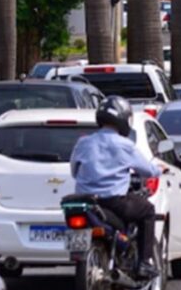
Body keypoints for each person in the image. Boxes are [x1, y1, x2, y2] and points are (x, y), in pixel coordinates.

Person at [69, 96, 168, 279]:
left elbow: (74, 171)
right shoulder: (125, 145)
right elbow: (148, 170)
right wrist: (159, 169)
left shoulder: (83, 143)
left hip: (85, 201)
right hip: (114, 202)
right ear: (123, 119)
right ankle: (145, 263)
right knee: (147, 210)